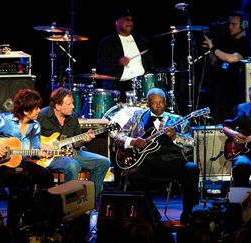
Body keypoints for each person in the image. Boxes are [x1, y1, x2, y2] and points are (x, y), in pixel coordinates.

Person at [112, 88, 199, 225]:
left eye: (162, 102)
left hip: (173, 161)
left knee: (192, 168)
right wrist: (132, 141)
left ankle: (188, 213)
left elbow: (191, 142)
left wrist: (176, 136)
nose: (159, 106)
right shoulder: (137, 117)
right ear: (148, 104)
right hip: (147, 162)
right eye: (154, 103)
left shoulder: (177, 120)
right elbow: (118, 136)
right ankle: (151, 213)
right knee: (134, 174)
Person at [0, 89, 55, 231]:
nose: (39, 110)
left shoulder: (35, 126)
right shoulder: (5, 121)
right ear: (26, 111)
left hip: (20, 162)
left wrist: (41, 154)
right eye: (36, 108)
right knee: (21, 178)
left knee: (46, 176)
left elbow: (34, 150)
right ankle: (14, 223)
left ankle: (39, 218)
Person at [37, 87, 111, 200]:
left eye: (72, 103)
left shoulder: (73, 117)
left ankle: (89, 201)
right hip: (50, 157)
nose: (73, 106)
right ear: (57, 106)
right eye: (69, 104)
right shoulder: (42, 115)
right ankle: (70, 206)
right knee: (72, 165)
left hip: (70, 152)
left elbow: (75, 143)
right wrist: (41, 145)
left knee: (104, 162)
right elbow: (28, 137)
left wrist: (84, 140)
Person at [202, 10, 251, 123]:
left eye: (234, 24)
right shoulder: (227, 41)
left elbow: (232, 58)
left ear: (244, 25)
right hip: (221, 89)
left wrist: (213, 48)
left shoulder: (245, 43)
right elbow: (215, 63)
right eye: (229, 24)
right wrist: (210, 50)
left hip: (235, 92)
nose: (230, 27)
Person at [96, 9, 157, 102]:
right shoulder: (107, 42)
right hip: (118, 87)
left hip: (141, 85)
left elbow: (151, 62)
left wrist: (149, 73)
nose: (130, 22)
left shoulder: (141, 41)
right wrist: (119, 63)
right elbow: (102, 66)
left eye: (131, 20)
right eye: (126, 19)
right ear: (117, 22)